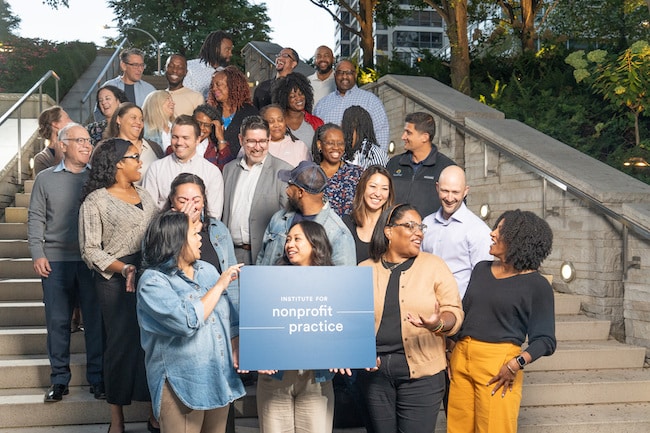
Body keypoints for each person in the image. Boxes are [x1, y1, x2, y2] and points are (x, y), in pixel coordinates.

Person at [447, 210, 556, 433]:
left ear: (518, 239)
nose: (493, 233)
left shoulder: (537, 285)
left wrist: (516, 364)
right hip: (462, 358)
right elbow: (466, 314)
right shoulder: (481, 270)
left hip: (499, 367)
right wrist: (450, 349)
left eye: (500, 230)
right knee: (456, 429)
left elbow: (545, 340)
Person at [359, 203, 463, 433]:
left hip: (422, 376)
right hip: (375, 376)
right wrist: (359, 353)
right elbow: (351, 323)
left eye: (421, 227)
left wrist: (438, 323)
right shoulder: (364, 269)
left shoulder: (434, 266)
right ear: (388, 231)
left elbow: (454, 312)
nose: (419, 232)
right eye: (410, 226)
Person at [137, 210, 245, 433]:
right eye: (194, 234)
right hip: (182, 382)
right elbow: (185, 323)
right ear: (177, 239)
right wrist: (218, 287)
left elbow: (226, 315)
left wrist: (236, 341)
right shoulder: (153, 282)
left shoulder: (207, 270)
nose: (200, 239)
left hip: (218, 376)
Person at [79, 138, 159, 433]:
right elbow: (90, 249)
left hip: (148, 275)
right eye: (134, 156)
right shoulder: (96, 200)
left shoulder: (146, 195)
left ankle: (155, 413)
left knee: (150, 343)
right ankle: (117, 418)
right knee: (120, 345)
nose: (140, 161)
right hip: (115, 280)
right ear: (116, 164)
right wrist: (124, 267)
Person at [28, 123, 103, 403]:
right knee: (58, 322)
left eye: (88, 140)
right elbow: (35, 217)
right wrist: (37, 252)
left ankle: (98, 378)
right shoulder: (45, 179)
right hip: (56, 261)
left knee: (95, 322)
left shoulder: (97, 178)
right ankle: (59, 380)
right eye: (80, 140)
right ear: (62, 145)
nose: (87, 145)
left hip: (90, 261)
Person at [256, 220, 336, 433]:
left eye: (297, 239)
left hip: (316, 379)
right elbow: (260, 326)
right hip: (275, 378)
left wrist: (343, 353)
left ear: (315, 243)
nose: (289, 244)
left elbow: (341, 328)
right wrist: (257, 355)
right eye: (288, 239)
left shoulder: (336, 283)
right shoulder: (269, 281)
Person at [256, 161, 356, 266]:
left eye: (290, 186)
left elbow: (343, 279)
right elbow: (261, 259)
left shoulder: (338, 233)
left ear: (300, 192)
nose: (286, 191)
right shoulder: (279, 219)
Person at [222, 115, 291, 265]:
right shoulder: (228, 169)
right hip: (231, 254)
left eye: (262, 141)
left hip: (266, 255)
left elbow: (289, 219)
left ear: (269, 139)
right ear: (241, 140)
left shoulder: (283, 171)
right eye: (251, 141)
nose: (257, 147)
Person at [421, 165, 493, 299]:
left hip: (459, 310)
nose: (449, 198)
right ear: (437, 188)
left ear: (465, 191)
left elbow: (483, 281)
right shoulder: (426, 223)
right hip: (423, 303)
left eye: (455, 192)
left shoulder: (478, 230)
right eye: (444, 191)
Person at [143, 115, 225, 219]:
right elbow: (148, 213)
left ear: (198, 139)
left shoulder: (212, 172)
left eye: (185, 138)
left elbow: (214, 217)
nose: (179, 142)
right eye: (175, 137)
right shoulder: (156, 169)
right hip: (163, 233)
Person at [387, 112, 456, 218]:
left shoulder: (447, 168)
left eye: (408, 133)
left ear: (424, 137)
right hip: (394, 232)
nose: (403, 137)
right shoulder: (393, 164)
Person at [314, 59, 389, 152]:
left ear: (355, 75)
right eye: (340, 72)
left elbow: (381, 133)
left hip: (361, 163)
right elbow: (316, 136)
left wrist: (375, 163)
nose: (344, 76)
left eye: (349, 72)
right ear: (335, 75)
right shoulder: (322, 105)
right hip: (328, 162)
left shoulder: (371, 101)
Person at [343, 165, 395, 263]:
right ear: (363, 188)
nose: (378, 193)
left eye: (384, 189)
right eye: (373, 186)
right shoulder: (346, 223)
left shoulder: (394, 226)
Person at [106, 102, 164, 185]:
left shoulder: (154, 147)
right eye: (133, 118)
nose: (139, 122)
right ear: (118, 120)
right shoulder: (107, 148)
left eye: (141, 119)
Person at [312, 123, 363, 217]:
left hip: (349, 230)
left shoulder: (357, 173)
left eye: (340, 143)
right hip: (316, 229)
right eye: (330, 143)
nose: (336, 147)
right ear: (319, 145)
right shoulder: (309, 173)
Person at [206, 65, 258, 158]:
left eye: (218, 84)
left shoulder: (250, 112)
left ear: (232, 85)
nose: (214, 88)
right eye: (212, 85)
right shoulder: (210, 111)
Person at [95, 48, 156, 121]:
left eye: (142, 65)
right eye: (135, 65)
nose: (140, 69)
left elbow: (155, 117)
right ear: (123, 66)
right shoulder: (109, 87)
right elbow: (98, 113)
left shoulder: (150, 90)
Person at [272, 72, 323, 146]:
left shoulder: (317, 123)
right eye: (293, 96)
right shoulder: (275, 123)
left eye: (301, 93)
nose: (299, 98)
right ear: (284, 99)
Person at [184, 30, 234, 99]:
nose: (231, 54)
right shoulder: (190, 68)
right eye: (227, 50)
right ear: (216, 48)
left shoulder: (227, 72)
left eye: (231, 50)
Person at [192, 104, 233, 170]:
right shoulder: (183, 142)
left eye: (206, 125)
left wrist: (220, 138)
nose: (201, 128)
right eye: (198, 123)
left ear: (213, 128)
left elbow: (227, 169)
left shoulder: (214, 149)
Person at [34, 106, 72, 175]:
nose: (71, 121)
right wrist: (59, 159)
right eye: (67, 118)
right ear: (55, 124)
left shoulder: (76, 148)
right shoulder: (41, 159)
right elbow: (46, 184)